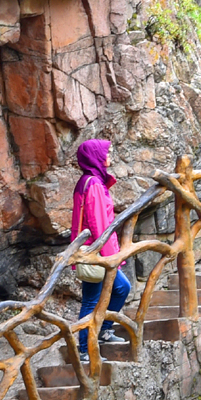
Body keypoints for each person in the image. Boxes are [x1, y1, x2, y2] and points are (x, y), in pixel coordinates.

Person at [70, 139, 131, 354]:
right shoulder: (93, 184)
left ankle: (104, 330)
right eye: (108, 153)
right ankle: (84, 350)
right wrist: (111, 258)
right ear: (96, 156)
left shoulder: (88, 181)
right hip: (95, 251)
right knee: (91, 300)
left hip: (95, 249)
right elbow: (99, 223)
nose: (111, 157)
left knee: (121, 288)